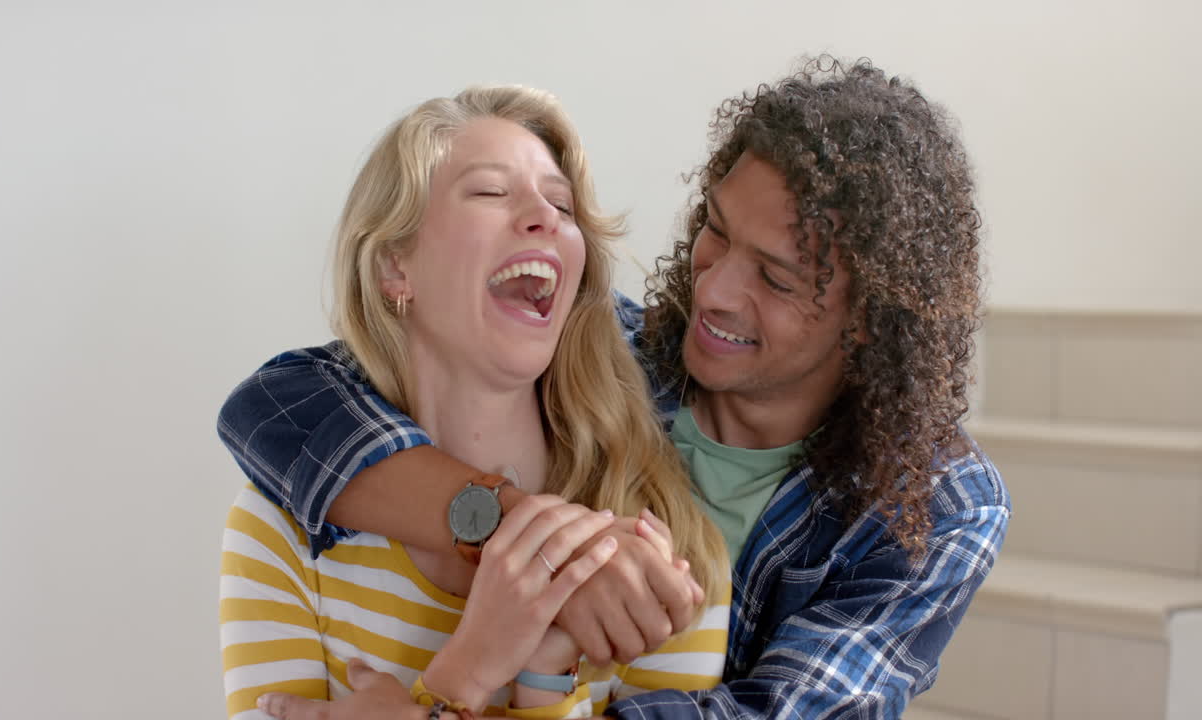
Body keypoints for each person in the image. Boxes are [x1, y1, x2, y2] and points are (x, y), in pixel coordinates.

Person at [220, 56, 1010, 719]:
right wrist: (518, 534)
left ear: (868, 319)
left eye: (775, 277)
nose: (715, 293)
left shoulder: (938, 508)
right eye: (716, 231)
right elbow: (271, 408)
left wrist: (447, 699)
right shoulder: (613, 351)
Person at [218, 85, 732, 720]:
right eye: (491, 192)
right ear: (393, 267)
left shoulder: (661, 542)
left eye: (563, 204)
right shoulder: (283, 527)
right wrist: (470, 670)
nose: (545, 215)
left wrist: (545, 678)